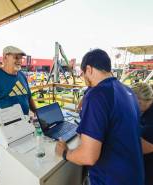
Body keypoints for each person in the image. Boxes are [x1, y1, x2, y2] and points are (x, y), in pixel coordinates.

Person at [55, 49, 144, 185]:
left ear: (89, 69)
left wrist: (65, 153)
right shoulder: (127, 90)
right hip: (134, 174)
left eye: (83, 73)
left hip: (111, 178)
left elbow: (88, 156)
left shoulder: (97, 95)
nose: (84, 79)